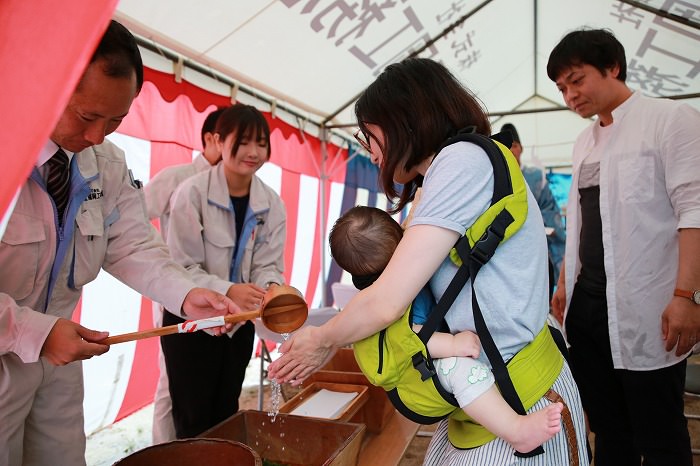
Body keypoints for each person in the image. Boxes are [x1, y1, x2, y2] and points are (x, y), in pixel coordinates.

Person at [269, 57, 587, 464]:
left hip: (518, 392)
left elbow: (388, 300)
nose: (369, 151)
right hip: (495, 389)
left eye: (370, 135)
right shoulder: (445, 173)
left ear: (404, 120)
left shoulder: (462, 161)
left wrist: (323, 338)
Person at [0, 20, 239, 466]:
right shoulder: (6, 150)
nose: (96, 136)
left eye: (115, 121)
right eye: (87, 117)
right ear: (48, 85)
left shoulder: (105, 163)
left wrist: (186, 295)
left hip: (59, 359)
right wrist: (31, 332)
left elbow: (133, 246)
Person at [547, 28, 699, 465]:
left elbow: (695, 212)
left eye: (577, 80)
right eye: (562, 88)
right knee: (609, 429)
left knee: (660, 430)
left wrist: (688, 296)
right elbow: (577, 222)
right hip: (588, 307)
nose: (570, 95)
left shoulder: (671, 120)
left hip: (648, 305)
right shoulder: (583, 144)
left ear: (613, 67)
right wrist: (563, 283)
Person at [330, 206, 564, 454]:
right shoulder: (388, 297)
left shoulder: (392, 275)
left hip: (416, 357)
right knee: (462, 370)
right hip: (411, 374)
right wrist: (452, 345)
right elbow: (408, 336)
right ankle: (516, 430)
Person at [161, 103, 286, 438]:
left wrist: (271, 289)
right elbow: (180, 266)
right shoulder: (192, 192)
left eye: (261, 143)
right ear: (218, 140)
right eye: (243, 141)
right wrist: (228, 289)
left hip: (237, 325)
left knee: (227, 414)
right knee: (191, 419)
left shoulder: (272, 203)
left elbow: (269, 264)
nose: (253, 152)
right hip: (190, 321)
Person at [144, 106, 227, 444]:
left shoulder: (234, 187)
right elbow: (132, 220)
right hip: (176, 293)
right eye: (233, 139)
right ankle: (164, 452)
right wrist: (164, 259)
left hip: (216, 295)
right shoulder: (176, 177)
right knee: (172, 380)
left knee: (210, 380)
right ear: (211, 139)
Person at [500, 123, 566, 296]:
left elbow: (550, 211)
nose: (511, 151)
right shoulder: (498, 177)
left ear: (521, 148)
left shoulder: (536, 176)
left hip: (538, 243)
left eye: (514, 146)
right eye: (507, 147)